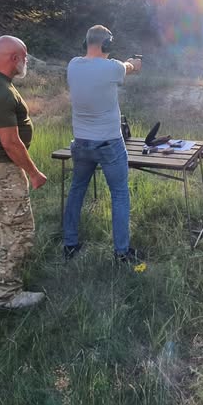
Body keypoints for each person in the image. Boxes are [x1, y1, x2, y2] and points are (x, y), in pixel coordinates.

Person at [0, 35, 48, 310]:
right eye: (24, 57)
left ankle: (0, 261)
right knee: (19, 229)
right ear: (14, 58)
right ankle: (6, 294)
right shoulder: (2, 92)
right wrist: (34, 172)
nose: (26, 61)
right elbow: (10, 141)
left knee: (4, 221)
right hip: (4, 168)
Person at [63, 24, 142, 263]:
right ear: (107, 45)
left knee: (77, 190)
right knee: (119, 194)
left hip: (81, 143)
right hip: (109, 144)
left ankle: (70, 244)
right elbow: (129, 67)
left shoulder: (73, 65)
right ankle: (121, 252)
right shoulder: (113, 67)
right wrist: (133, 63)